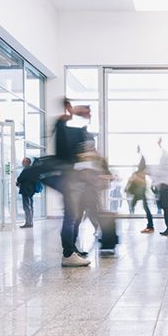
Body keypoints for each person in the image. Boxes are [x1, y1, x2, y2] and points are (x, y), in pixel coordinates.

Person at [56, 99, 93, 267]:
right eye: (86, 111)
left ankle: (72, 249)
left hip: (78, 178)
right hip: (70, 177)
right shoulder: (64, 127)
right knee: (71, 216)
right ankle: (68, 253)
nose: (88, 115)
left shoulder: (80, 130)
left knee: (76, 216)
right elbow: (66, 152)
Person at [150, 138, 168, 235]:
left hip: (164, 185)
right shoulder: (165, 156)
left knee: (165, 207)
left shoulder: (166, 155)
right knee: (165, 207)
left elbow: (162, 170)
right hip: (164, 184)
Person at [126, 151, 154, 232]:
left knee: (144, 207)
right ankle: (150, 225)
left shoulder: (139, 172)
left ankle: (150, 226)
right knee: (145, 207)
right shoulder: (140, 172)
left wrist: (140, 153)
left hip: (141, 191)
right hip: (140, 191)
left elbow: (130, 180)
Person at [16, 157, 39, 228]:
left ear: (27, 162)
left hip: (26, 190)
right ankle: (30, 222)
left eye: (23, 161)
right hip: (31, 190)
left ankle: (28, 223)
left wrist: (18, 182)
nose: (22, 163)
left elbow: (19, 179)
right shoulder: (32, 170)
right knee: (30, 206)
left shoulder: (26, 170)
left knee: (26, 207)